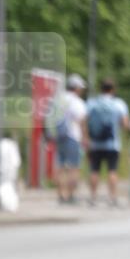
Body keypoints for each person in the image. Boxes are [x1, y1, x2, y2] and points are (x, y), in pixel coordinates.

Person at [86, 78, 130, 206]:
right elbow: (125, 124)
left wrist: (87, 136)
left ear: (101, 88)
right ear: (113, 89)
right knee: (112, 170)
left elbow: (85, 119)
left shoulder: (92, 103)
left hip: (95, 143)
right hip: (112, 144)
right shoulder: (119, 104)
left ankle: (93, 198)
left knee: (94, 170)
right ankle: (112, 198)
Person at [46, 74, 88, 204]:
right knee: (73, 168)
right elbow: (81, 121)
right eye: (80, 87)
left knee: (60, 167)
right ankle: (70, 196)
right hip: (73, 137)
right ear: (76, 88)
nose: (81, 90)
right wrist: (85, 138)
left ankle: (60, 195)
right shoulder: (76, 101)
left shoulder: (58, 99)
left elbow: (49, 117)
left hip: (58, 136)